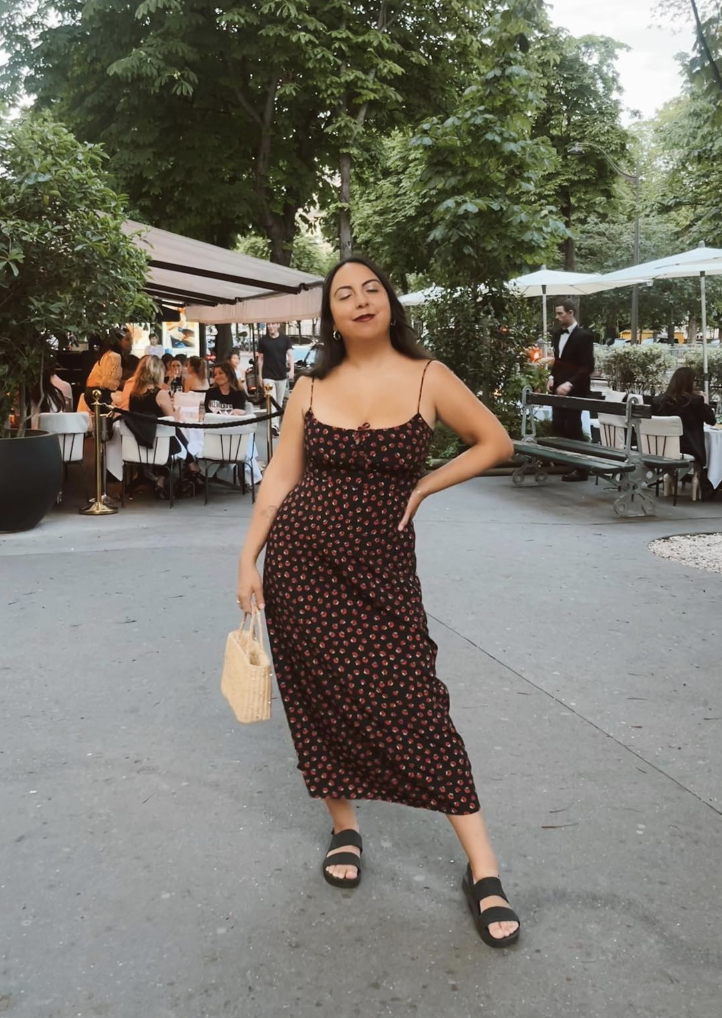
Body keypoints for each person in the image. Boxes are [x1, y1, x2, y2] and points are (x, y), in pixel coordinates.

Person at [236, 257, 520, 949]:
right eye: (344, 294)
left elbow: (495, 442)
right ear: (331, 316)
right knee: (319, 697)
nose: (360, 300)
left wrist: (425, 483)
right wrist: (248, 557)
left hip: (384, 570)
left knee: (417, 701)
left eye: (371, 289)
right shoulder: (310, 386)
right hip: (301, 565)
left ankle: (483, 869)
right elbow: (280, 477)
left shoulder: (429, 377)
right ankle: (345, 827)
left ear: (389, 303)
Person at [548, 301, 595, 481]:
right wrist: (552, 377)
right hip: (558, 386)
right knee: (558, 425)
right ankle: (572, 461)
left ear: (571, 313)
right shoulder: (557, 334)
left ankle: (582, 468)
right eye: (557, 313)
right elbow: (558, 361)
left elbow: (588, 366)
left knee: (573, 426)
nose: (557, 317)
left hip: (577, 388)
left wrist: (570, 383)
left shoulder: (584, 336)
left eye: (560, 313)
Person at [653, 367, 716, 472]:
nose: (696, 384)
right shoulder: (695, 401)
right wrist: (705, 403)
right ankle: (698, 479)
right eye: (695, 380)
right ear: (689, 382)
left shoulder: (658, 401)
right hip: (689, 449)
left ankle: (670, 477)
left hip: (661, 447)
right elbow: (712, 421)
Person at [257, 322, 294, 435]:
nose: (271, 326)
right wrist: (260, 375)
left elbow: (290, 355)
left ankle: (276, 425)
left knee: (279, 402)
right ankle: (274, 426)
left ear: (278, 325)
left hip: (281, 375)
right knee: (271, 401)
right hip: (268, 376)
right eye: (269, 324)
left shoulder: (285, 339)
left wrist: (291, 369)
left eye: (273, 324)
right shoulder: (263, 340)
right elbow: (260, 359)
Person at [84, 328, 132, 408]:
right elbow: (109, 384)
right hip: (99, 395)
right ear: (118, 341)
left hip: (93, 393)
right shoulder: (114, 356)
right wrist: (129, 384)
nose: (131, 343)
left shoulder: (108, 354)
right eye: (127, 339)